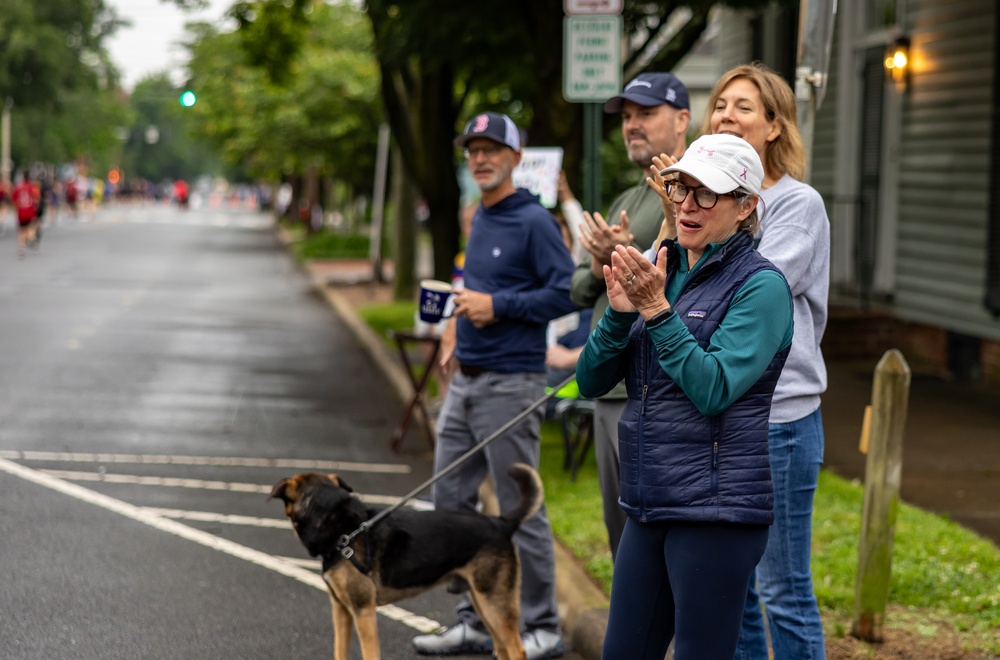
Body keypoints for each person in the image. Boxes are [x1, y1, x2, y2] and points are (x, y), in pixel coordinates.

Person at [575, 134, 794, 659]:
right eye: (680, 189)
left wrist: (655, 311)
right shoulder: (662, 268)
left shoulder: (762, 287)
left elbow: (713, 388)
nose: (687, 206)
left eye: (707, 194)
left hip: (716, 513)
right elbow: (589, 382)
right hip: (649, 502)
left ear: (746, 207)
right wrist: (620, 314)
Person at [411, 111, 575, 660]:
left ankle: (544, 626)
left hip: (512, 383)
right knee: (449, 504)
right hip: (466, 381)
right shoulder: (477, 216)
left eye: (491, 150)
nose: (480, 159)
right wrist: (458, 324)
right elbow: (473, 288)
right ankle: (476, 621)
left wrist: (497, 307)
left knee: (518, 508)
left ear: (514, 157)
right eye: (472, 151)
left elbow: (567, 293)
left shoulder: (535, 222)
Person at [701, 62, 831, 660]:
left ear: (775, 126)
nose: (727, 114)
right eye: (721, 104)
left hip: (780, 418)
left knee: (783, 590)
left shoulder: (796, 204)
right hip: (724, 414)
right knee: (739, 587)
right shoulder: (703, 202)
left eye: (744, 106)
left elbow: (752, 290)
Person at [569, 72, 690, 560]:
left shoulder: (695, 187)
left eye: (645, 113)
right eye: (627, 117)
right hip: (607, 386)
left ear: (682, 118)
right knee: (620, 537)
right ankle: (637, 638)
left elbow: (695, 277)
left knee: (660, 539)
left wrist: (627, 255)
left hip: (657, 389)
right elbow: (578, 288)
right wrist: (608, 264)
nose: (631, 125)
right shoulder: (626, 199)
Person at [12, 174, 39, 259]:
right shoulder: (32, 188)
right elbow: (36, 200)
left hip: (21, 212)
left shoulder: (18, 188)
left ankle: (21, 248)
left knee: (21, 231)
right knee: (29, 228)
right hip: (30, 211)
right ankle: (32, 239)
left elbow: (14, 200)